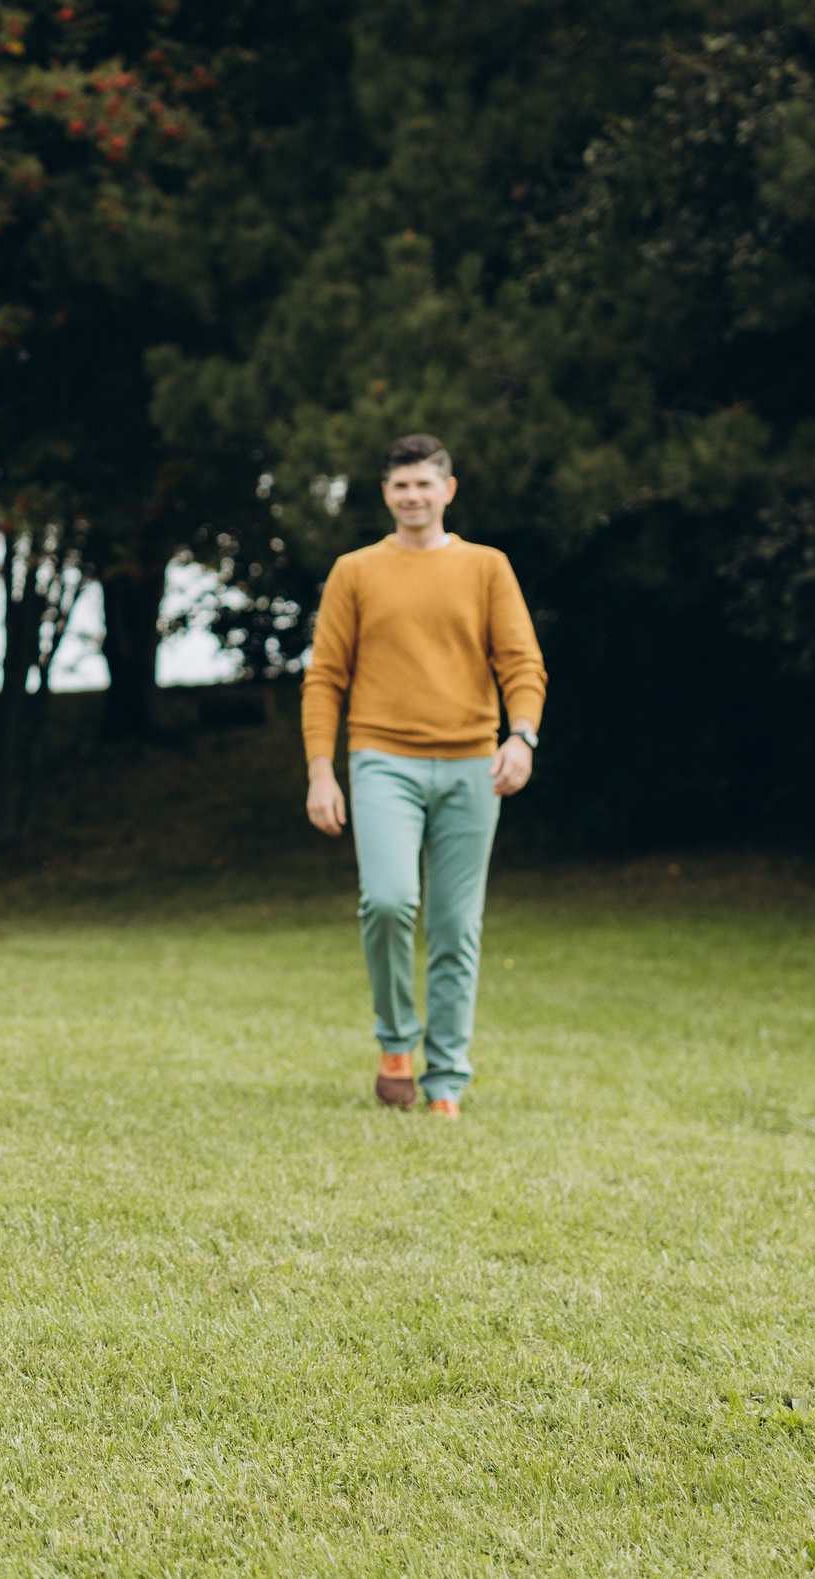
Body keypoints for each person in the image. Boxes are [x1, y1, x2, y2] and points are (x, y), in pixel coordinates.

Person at [300, 434, 547, 1119]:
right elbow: (324, 678)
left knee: (455, 924)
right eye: (401, 485)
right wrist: (322, 772)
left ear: (448, 489)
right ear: (386, 494)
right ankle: (395, 1043)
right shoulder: (354, 570)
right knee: (387, 899)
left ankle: (446, 1081)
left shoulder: (487, 567)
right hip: (382, 759)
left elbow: (522, 664)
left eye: (424, 484)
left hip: (473, 762)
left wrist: (520, 737)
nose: (413, 495)